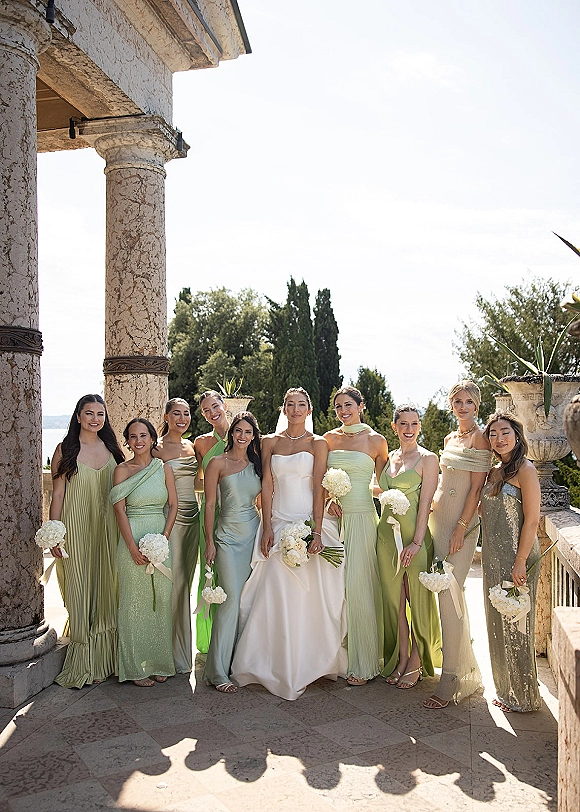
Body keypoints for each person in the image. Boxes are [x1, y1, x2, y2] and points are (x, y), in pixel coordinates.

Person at [231, 388, 347, 700]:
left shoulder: (317, 443)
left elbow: (319, 485)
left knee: (309, 594)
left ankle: (311, 661)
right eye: (290, 404)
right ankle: (267, 662)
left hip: (308, 521)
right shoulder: (269, 441)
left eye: (301, 405)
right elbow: (267, 484)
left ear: (309, 409)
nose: (295, 410)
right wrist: (267, 525)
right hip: (279, 522)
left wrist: (318, 531)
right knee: (273, 586)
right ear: (284, 408)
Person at [49, 394, 125, 688]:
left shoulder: (113, 450)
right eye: (89, 413)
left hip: (107, 528)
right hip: (76, 527)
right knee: (79, 586)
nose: (95, 419)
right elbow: (57, 495)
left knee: (108, 586)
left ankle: (107, 659)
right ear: (78, 416)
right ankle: (84, 657)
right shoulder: (65, 449)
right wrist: (55, 532)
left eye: (100, 414)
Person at [425, 381, 490, 709]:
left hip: (460, 528)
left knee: (451, 593)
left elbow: (475, 490)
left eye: (468, 402)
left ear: (476, 406)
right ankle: (465, 668)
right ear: (451, 405)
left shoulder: (480, 438)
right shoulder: (450, 438)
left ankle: (450, 677)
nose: (462, 406)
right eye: (457, 401)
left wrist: (461, 530)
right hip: (438, 523)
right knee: (445, 597)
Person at [324, 387, 389, 685]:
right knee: (334, 587)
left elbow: (384, 484)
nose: (343, 411)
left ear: (361, 406)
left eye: (348, 405)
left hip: (363, 517)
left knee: (359, 584)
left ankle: (364, 662)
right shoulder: (328, 439)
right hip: (333, 520)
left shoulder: (377, 441)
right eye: (338, 406)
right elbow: (318, 481)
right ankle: (335, 657)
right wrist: (329, 498)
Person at [377, 405, 442, 689]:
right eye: (403, 423)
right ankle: (401, 658)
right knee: (395, 600)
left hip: (414, 538)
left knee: (416, 599)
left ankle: (416, 659)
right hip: (386, 537)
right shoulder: (389, 458)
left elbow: (425, 503)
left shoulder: (428, 459)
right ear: (394, 427)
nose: (409, 428)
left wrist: (417, 542)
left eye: (414, 423)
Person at [110, 418, 178, 687]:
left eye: (144, 435)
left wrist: (164, 538)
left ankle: (160, 662)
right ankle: (135, 668)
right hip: (131, 540)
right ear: (127, 440)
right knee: (133, 604)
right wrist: (131, 546)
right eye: (133, 436)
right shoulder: (121, 470)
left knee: (160, 601)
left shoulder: (164, 470)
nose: (139, 441)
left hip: (159, 541)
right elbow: (119, 510)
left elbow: (173, 505)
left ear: (152, 438)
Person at [481, 411, 541, 712]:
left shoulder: (526, 470)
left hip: (519, 557)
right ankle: (505, 689)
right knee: (496, 621)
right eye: (493, 434)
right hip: (492, 557)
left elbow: (531, 521)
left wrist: (519, 562)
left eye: (504, 432)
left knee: (518, 624)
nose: (499, 438)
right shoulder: (493, 471)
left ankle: (524, 695)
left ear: (517, 436)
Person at [203, 412, 262, 693]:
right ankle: (217, 671)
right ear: (232, 433)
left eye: (248, 432)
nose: (242, 436)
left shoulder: (258, 464)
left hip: (253, 534)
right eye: (238, 430)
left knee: (247, 601)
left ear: (254, 436)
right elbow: (211, 506)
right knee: (229, 601)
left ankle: (239, 664)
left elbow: (264, 502)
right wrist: (209, 541)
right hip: (226, 538)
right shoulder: (217, 463)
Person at [153, 398, 199, 674]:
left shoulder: (192, 446)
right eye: (176, 414)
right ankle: (164, 655)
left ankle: (182, 653)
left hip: (192, 518)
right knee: (170, 584)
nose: (182, 418)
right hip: (169, 519)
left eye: (186, 414)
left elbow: (201, 481)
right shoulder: (156, 447)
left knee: (185, 586)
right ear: (166, 416)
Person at [193, 391, 230, 654]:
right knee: (209, 573)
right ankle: (209, 639)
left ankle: (232, 639)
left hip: (239, 514)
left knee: (234, 578)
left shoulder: (245, 433)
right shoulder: (201, 444)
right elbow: (198, 480)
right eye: (206, 410)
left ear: (224, 405)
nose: (212, 413)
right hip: (210, 512)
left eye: (215, 406)